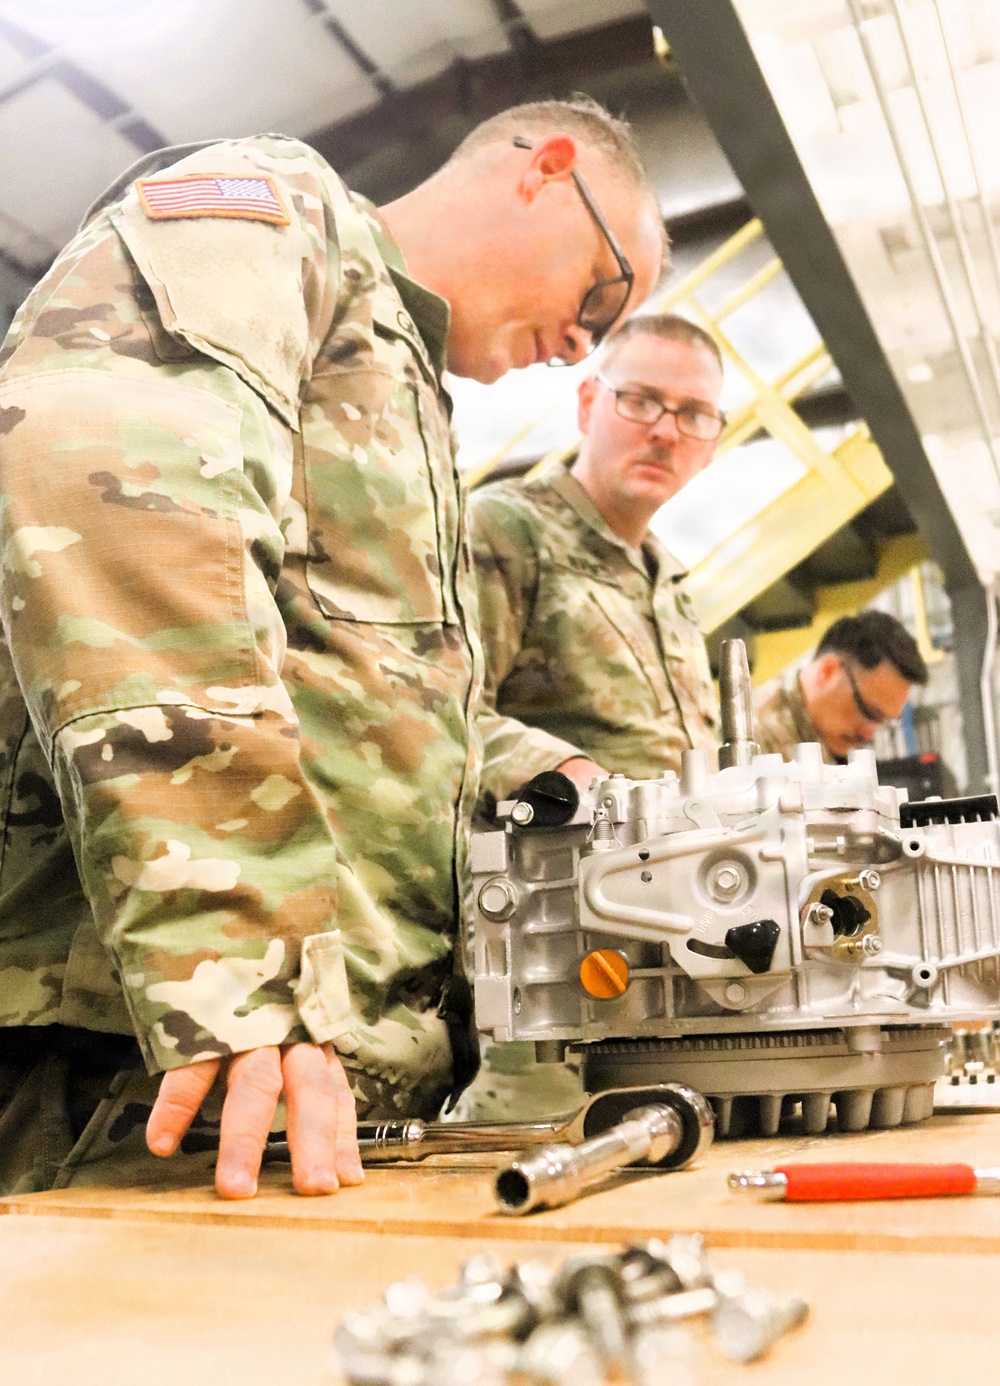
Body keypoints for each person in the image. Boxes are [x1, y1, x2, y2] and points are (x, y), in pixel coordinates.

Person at [0, 100, 665, 1198]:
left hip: (317, 1078)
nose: (579, 345)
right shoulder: (279, 215)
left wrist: (531, 768)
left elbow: (356, 679)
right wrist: (232, 957)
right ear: (545, 169)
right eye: (601, 290)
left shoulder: (405, 385)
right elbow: (106, 482)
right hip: (174, 1066)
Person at [472, 313, 723, 800]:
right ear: (587, 404)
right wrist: (562, 770)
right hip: (561, 867)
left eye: (693, 415)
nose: (666, 433)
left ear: (712, 444)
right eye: (641, 401)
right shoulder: (507, 531)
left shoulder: (668, 584)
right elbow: (439, 715)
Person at [753, 610, 928, 761]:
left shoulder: (821, 745)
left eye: (884, 721)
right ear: (827, 671)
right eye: (868, 712)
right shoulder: (754, 737)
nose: (869, 734)